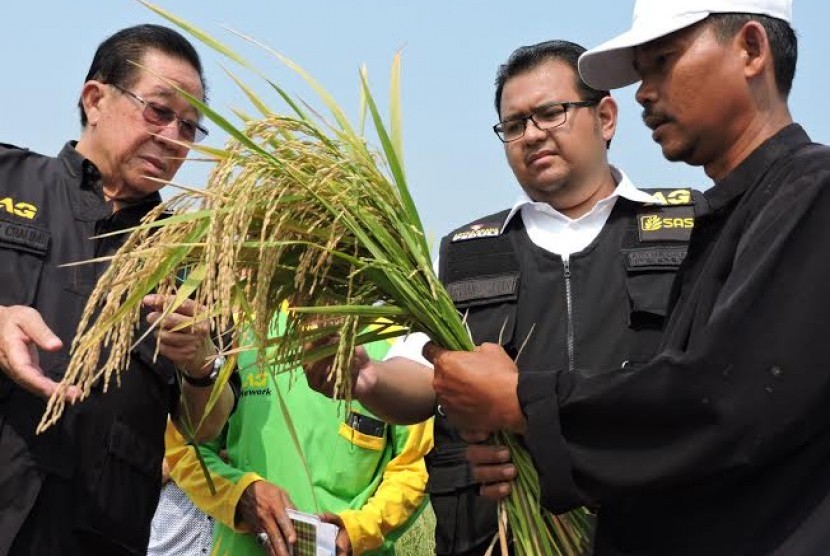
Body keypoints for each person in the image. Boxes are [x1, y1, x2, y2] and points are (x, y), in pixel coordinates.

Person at [424, 0, 830, 554]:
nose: (645, 91)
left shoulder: (811, 196)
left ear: (751, 49)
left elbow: (721, 404)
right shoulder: (722, 220)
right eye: (515, 125)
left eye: (662, 61)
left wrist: (525, 403)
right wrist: (530, 446)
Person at [307, 40, 695, 555]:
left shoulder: (687, 227)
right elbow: (423, 376)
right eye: (513, 126)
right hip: (496, 537)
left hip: (657, 528)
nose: (532, 134)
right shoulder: (470, 250)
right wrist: (362, 377)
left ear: (605, 117)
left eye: (551, 113)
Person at [0, 25, 235, 556]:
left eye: (191, 127)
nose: (174, 136)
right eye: (158, 110)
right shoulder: (8, 181)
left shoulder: (193, 259)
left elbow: (208, 424)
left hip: (99, 533)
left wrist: (200, 364)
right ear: (95, 99)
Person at [166, 326, 432, 556]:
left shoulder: (396, 340)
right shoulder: (239, 329)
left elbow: (415, 464)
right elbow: (185, 448)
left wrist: (359, 530)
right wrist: (242, 494)